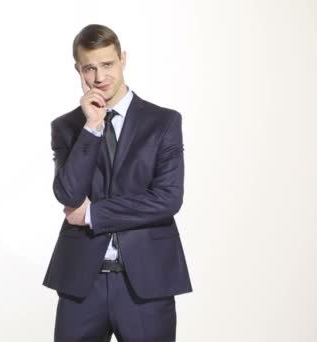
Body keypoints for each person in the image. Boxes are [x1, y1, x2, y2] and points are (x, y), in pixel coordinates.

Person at [42, 24, 193, 342]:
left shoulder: (164, 123)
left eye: (107, 65)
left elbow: (167, 198)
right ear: (78, 70)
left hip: (146, 282)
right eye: (89, 68)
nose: (99, 77)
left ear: (123, 59)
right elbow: (68, 193)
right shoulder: (67, 127)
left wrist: (94, 214)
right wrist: (92, 127)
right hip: (82, 283)